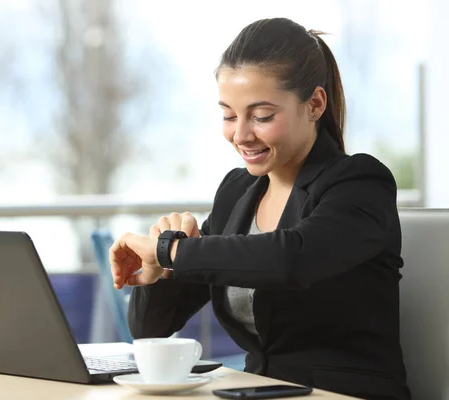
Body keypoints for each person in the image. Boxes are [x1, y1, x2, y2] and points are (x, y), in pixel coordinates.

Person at [109, 17, 410, 400]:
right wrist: (159, 269)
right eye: (229, 115)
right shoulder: (237, 192)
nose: (240, 135)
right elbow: (151, 328)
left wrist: (172, 250)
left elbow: (291, 258)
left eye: (262, 116)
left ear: (315, 104)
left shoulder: (360, 183)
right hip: (258, 391)